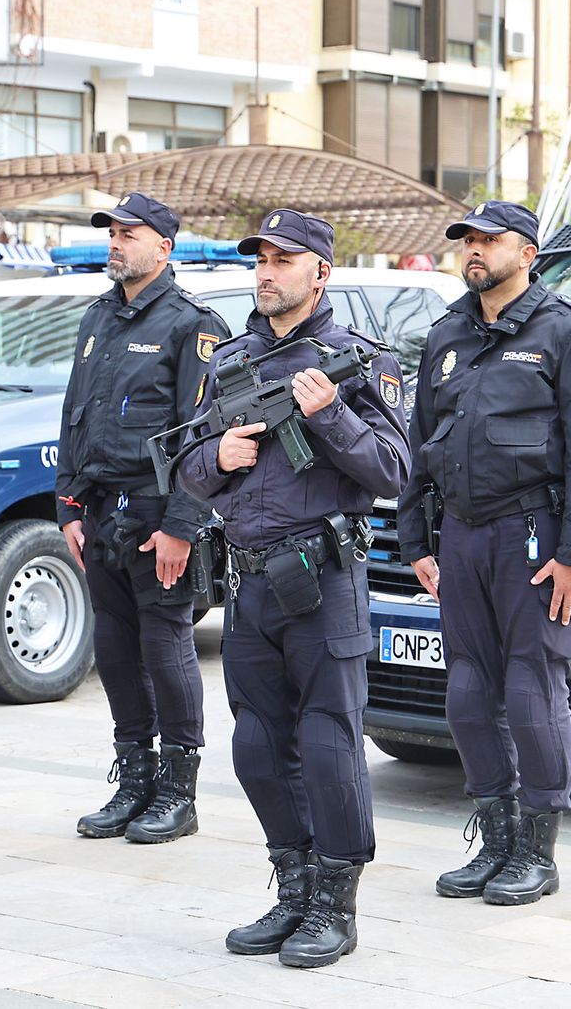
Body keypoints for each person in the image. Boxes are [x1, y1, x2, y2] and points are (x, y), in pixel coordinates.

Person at [177, 209, 409, 969]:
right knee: (257, 747)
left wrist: (331, 414)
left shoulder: (359, 360)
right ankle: (294, 886)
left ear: (321, 272)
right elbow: (188, 469)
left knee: (328, 742)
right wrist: (222, 454)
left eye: (284, 258)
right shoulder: (231, 360)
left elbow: (394, 472)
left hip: (324, 578)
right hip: (250, 582)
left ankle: (335, 904)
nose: (267, 270)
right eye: (261, 258)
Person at [397, 201, 571, 907]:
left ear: (525, 251)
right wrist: (415, 540)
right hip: (462, 536)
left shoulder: (570, 333)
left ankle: (537, 848)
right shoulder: (446, 336)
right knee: (467, 693)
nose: (472, 249)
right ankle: (494, 837)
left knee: (531, 687)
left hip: (535, 535)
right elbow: (419, 443)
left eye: (486, 240)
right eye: (466, 239)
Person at [58, 192, 229, 844]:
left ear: (165, 246)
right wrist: (67, 504)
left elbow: (204, 432)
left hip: (159, 511)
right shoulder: (98, 316)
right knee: (116, 649)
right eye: (112, 232)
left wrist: (184, 524)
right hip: (101, 511)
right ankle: (134, 780)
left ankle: (178, 792)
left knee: (166, 647)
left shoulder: (192, 324)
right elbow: (75, 412)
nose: (115, 242)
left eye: (129, 233)